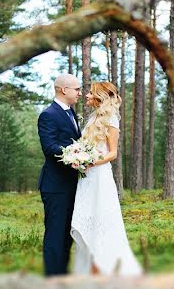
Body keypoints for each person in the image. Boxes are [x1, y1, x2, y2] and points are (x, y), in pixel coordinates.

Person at [71, 81, 142, 276]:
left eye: (90, 92)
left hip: (99, 177)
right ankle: (89, 269)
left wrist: (88, 162)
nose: (86, 95)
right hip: (86, 178)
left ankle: (105, 269)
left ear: (100, 96)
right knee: (86, 218)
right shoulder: (94, 117)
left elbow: (112, 154)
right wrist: (78, 156)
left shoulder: (111, 119)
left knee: (101, 220)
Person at [37, 73, 83, 276]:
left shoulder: (71, 113)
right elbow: (50, 147)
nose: (80, 93)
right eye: (77, 89)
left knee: (67, 235)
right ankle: (53, 280)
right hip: (56, 186)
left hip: (73, 185)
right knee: (55, 235)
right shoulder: (48, 114)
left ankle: (63, 277)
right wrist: (78, 155)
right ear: (64, 90)